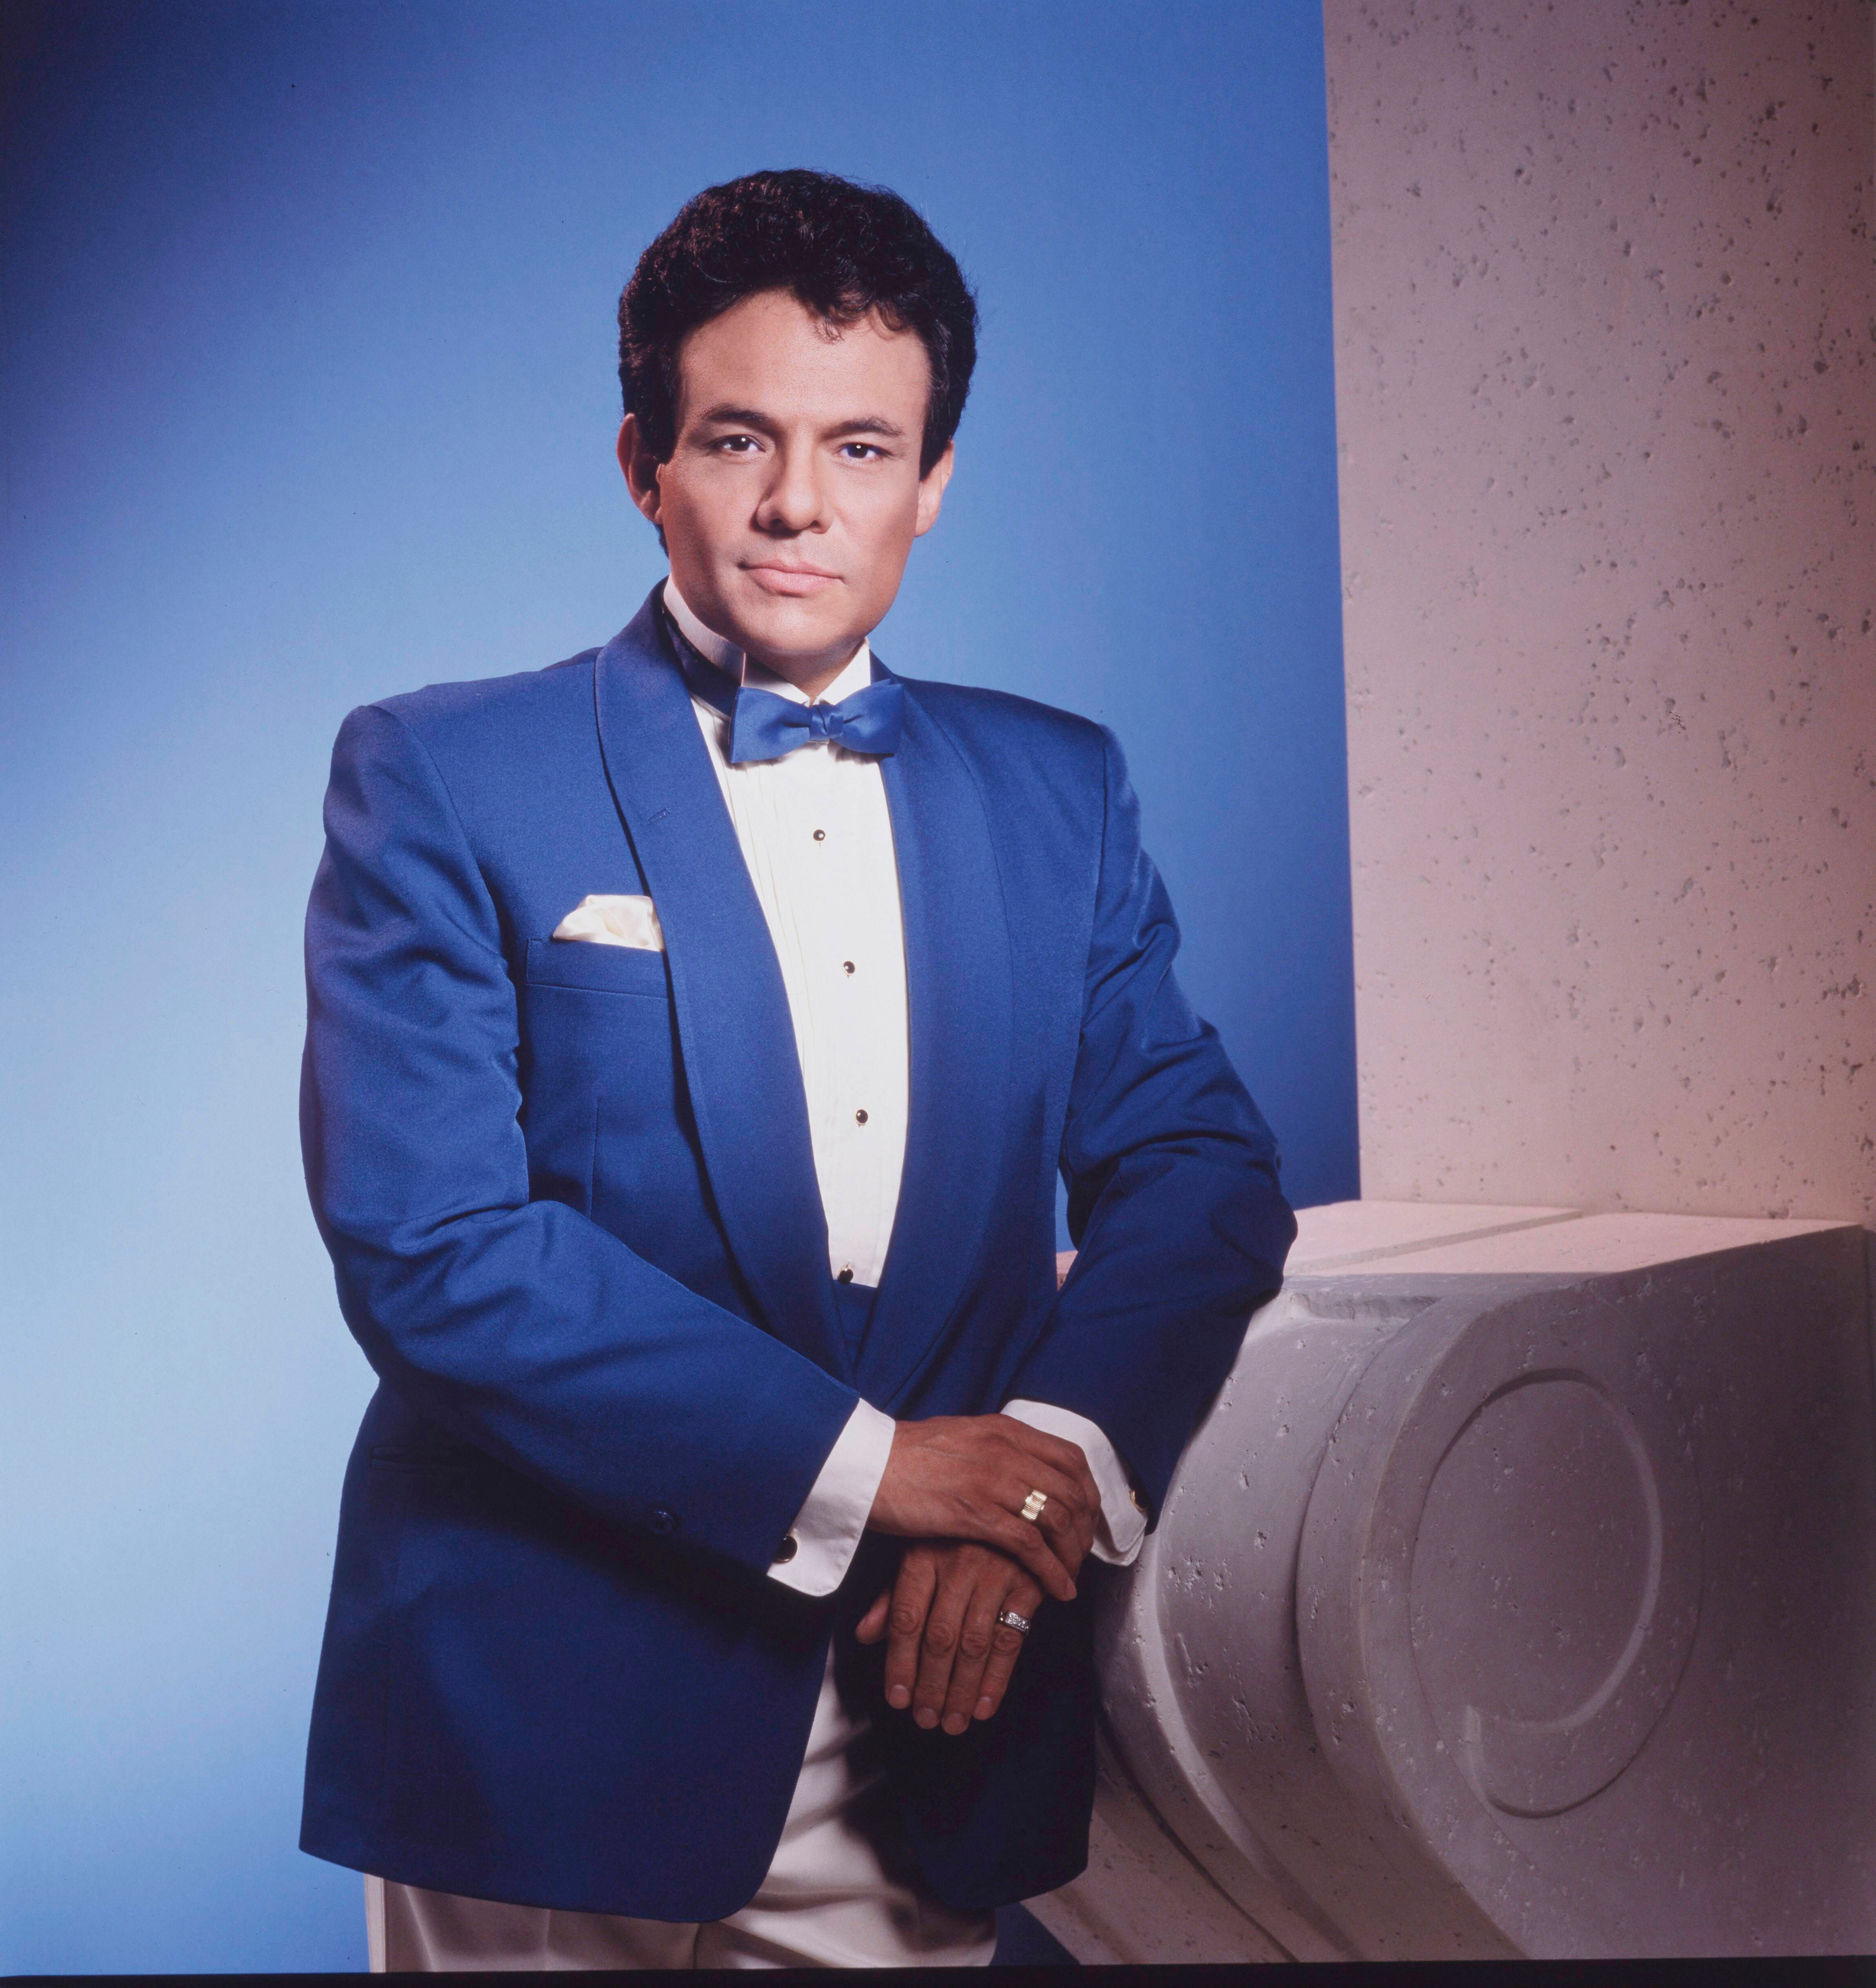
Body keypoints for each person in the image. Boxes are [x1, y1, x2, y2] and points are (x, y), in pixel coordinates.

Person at [298, 167, 1295, 1971]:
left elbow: (1198, 1167)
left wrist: (1038, 1477)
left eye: (859, 448)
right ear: (644, 464)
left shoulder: (1058, 788)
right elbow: (433, 1246)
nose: (794, 504)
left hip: (931, 1705)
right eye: (739, 439)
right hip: (543, 1712)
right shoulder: (443, 772)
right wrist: (884, 1469)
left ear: (933, 480)